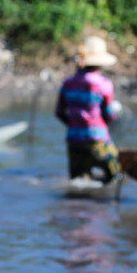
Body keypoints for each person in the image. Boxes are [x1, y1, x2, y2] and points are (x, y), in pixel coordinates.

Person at [55, 35, 123, 185]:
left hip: (74, 141)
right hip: (98, 141)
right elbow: (109, 114)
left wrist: (74, 125)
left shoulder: (68, 83)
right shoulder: (103, 84)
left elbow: (59, 112)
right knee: (117, 177)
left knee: (77, 182)